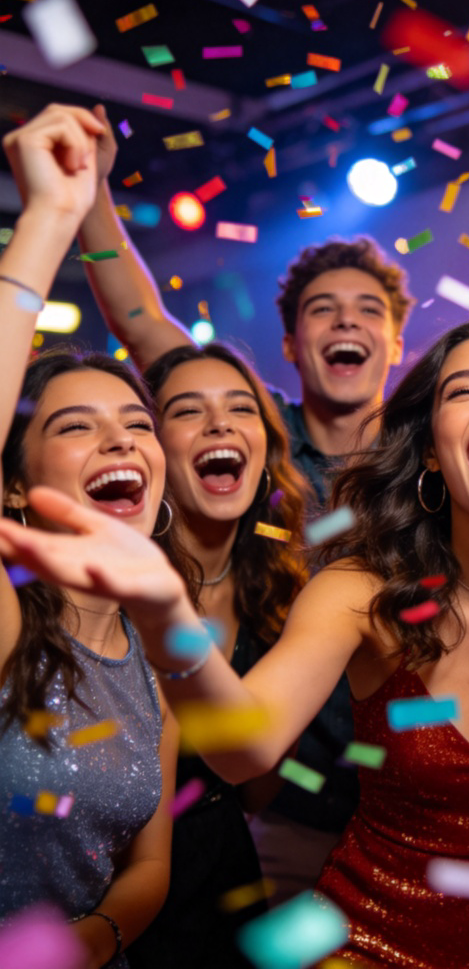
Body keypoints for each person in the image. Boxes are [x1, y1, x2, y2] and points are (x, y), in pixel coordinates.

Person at [0, 317, 469, 966]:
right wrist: (165, 610)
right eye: (462, 391)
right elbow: (242, 750)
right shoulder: (360, 591)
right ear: (431, 449)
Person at [76, 120, 417, 898]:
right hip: (277, 799)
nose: (345, 322)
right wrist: (90, 190)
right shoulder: (258, 433)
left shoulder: (425, 458)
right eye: (322, 310)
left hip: (402, 797)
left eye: (367, 309)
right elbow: (138, 319)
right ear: (293, 345)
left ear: (396, 341)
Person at [0, 106, 180, 968]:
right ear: (14, 488)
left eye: (138, 424)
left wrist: (91, 941)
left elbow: (149, 866)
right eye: (76, 427)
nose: (120, 441)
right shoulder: (8, 629)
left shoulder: (166, 661)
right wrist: (47, 223)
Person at [126, 342, 311, 969]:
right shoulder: (114, 587)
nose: (221, 424)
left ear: (265, 454)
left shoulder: (284, 594)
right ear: (149, 449)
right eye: (186, 411)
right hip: (105, 880)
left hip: (225, 872)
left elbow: (257, 786)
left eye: (242, 408)